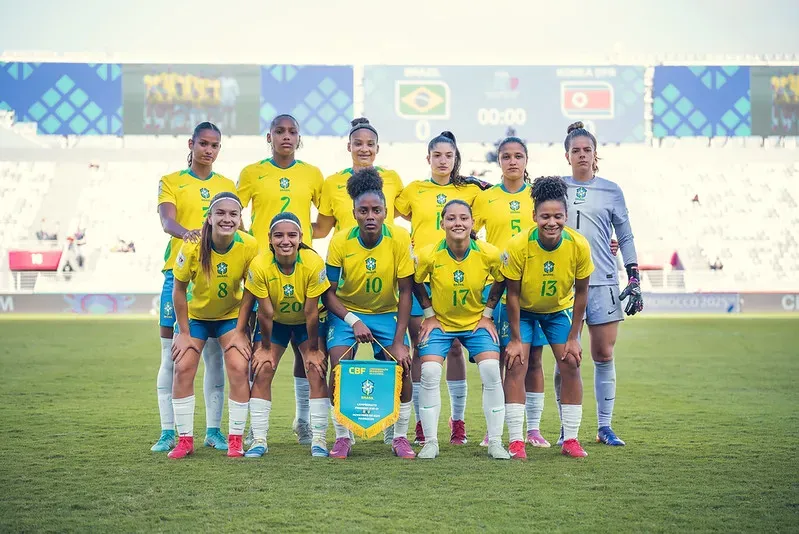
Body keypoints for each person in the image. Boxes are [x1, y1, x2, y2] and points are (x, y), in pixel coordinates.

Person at [395, 131, 488, 446]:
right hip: (423, 278)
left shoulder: (470, 190)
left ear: (455, 157)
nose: (443, 161)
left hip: (457, 276)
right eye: (437, 155)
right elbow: (395, 213)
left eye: (449, 155)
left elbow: (479, 223)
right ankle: (423, 423)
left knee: (455, 348)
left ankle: (458, 422)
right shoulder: (414, 190)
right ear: (428, 158)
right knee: (423, 348)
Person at [237, 114, 325, 445]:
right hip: (264, 274)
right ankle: (252, 427)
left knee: (309, 360)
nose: (285, 136)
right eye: (279, 131)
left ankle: (304, 421)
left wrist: (303, 241)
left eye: (292, 132)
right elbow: (234, 211)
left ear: (299, 138)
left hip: (302, 273)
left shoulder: (313, 174)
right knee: (259, 356)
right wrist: (255, 245)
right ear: (269, 136)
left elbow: (326, 220)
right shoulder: (251, 173)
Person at [152, 121, 236, 453]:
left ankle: (213, 431)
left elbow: (233, 223)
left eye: (215, 145)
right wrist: (188, 233)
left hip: (217, 277)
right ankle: (168, 431)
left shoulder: (227, 184)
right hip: (179, 275)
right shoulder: (171, 181)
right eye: (203, 143)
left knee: (215, 356)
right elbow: (166, 220)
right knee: (171, 355)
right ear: (191, 143)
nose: (209, 150)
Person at [561, 121, 644, 447]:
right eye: (576, 151)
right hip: (565, 284)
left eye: (587, 150)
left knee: (603, 354)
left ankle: (604, 427)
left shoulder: (612, 189)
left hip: (604, 281)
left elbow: (624, 235)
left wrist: (633, 274)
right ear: (567, 155)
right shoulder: (556, 187)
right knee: (567, 357)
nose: (582, 155)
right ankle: (567, 431)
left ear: (596, 154)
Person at [324, 168, 415, 459]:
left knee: (404, 366)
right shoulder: (340, 241)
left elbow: (405, 293)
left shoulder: (399, 238)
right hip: (348, 314)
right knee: (338, 367)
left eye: (376, 210)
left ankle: (399, 436)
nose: (370, 216)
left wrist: (400, 342)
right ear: (354, 213)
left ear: (386, 211)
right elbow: (328, 293)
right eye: (364, 211)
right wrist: (354, 320)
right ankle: (342, 437)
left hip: (387, 314)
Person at [502, 176, 594, 458]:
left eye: (557, 216)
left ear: (566, 216)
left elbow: (581, 294)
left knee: (571, 363)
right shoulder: (518, 246)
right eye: (545, 217)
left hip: (557, 312)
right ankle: (516, 440)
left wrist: (575, 337)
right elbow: (513, 295)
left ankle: (571, 439)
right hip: (524, 311)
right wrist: (516, 339)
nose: (551, 222)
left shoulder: (579, 245)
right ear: (534, 216)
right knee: (517, 364)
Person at [413, 200, 510, 460]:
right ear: (442, 223)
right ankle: (431, 442)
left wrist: (488, 314)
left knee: (491, 370)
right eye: (452, 218)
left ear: (472, 223)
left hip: (475, 322)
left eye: (464, 218)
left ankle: (496, 443)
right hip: (441, 323)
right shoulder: (428, 254)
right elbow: (414, 280)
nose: (458, 223)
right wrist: (429, 314)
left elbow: (503, 278)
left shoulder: (489, 253)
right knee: (430, 371)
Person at [472, 136, 551, 449]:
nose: (513, 161)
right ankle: (496, 428)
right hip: (501, 289)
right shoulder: (487, 197)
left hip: (536, 290)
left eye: (519, 156)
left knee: (534, 362)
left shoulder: (537, 196)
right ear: (499, 161)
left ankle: (532, 429)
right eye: (506, 156)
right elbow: (468, 232)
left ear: (527, 160)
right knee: (503, 362)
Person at [167, 192, 259, 459]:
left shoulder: (249, 245)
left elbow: (250, 291)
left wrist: (242, 331)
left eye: (233, 214)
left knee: (240, 368)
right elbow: (178, 289)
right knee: (182, 367)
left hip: (229, 317)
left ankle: (235, 440)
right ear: (209, 218)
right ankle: (184, 440)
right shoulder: (193, 245)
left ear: (240, 219)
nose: (227, 219)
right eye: (220, 213)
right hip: (195, 318)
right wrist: (183, 333)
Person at [242, 212, 332, 457]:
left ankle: (319, 439)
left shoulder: (313, 262)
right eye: (278, 235)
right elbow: (266, 311)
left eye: (292, 235)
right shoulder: (260, 264)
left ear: (301, 237)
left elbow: (311, 311)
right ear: (269, 239)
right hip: (276, 322)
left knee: (316, 369)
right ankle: (259, 439)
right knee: (263, 368)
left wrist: (313, 350)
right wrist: (264, 347)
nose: (285, 241)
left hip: (306, 322)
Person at [313, 118, 404, 238]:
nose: (365, 149)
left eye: (370, 144)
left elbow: (400, 212)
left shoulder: (392, 178)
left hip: (383, 253)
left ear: (377, 148)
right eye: (358, 143)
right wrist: (286, 230)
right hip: (344, 253)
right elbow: (322, 229)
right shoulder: (332, 182)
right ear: (349, 146)